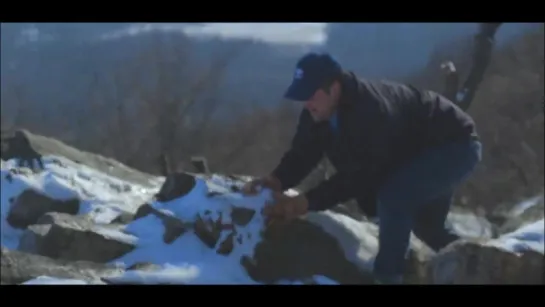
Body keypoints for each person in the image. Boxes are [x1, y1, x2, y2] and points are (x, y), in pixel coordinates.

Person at [242, 52, 482, 284]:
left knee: (394, 199)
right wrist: (276, 180)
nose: (307, 103)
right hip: (420, 153)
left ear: (333, 88)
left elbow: (360, 176)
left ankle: (387, 278)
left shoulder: (370, 111)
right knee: (427, 227)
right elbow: (303, 153)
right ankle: (479, 267)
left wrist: (304, 202)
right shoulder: (317, 112)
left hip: (453, 144)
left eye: (311, 95)